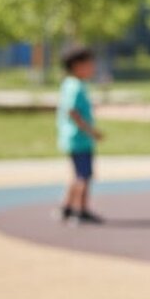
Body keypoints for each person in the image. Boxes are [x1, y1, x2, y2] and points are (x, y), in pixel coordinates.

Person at [56, 45, 104, 224]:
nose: (93, 68)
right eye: (90, 65)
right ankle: (81, 210)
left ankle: (67, 207)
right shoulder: (75, 86)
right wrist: (91, 131)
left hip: (73, 138)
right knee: (84, 176)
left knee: (77, 175)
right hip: (79, 139)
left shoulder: (70, 84)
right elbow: (72, 111)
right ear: (77, 65)